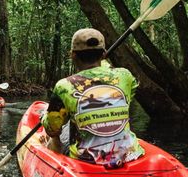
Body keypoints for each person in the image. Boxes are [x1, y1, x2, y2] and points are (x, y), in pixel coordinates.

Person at [41, 28, 144, 168]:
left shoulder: (64, 86)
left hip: (86, 160)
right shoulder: (124, 76)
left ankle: (55, 165)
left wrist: (44, 120)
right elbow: (130, 94)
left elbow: (53, 128)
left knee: (54, 133)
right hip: (129, 154)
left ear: (72, 55)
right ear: (104, 54)